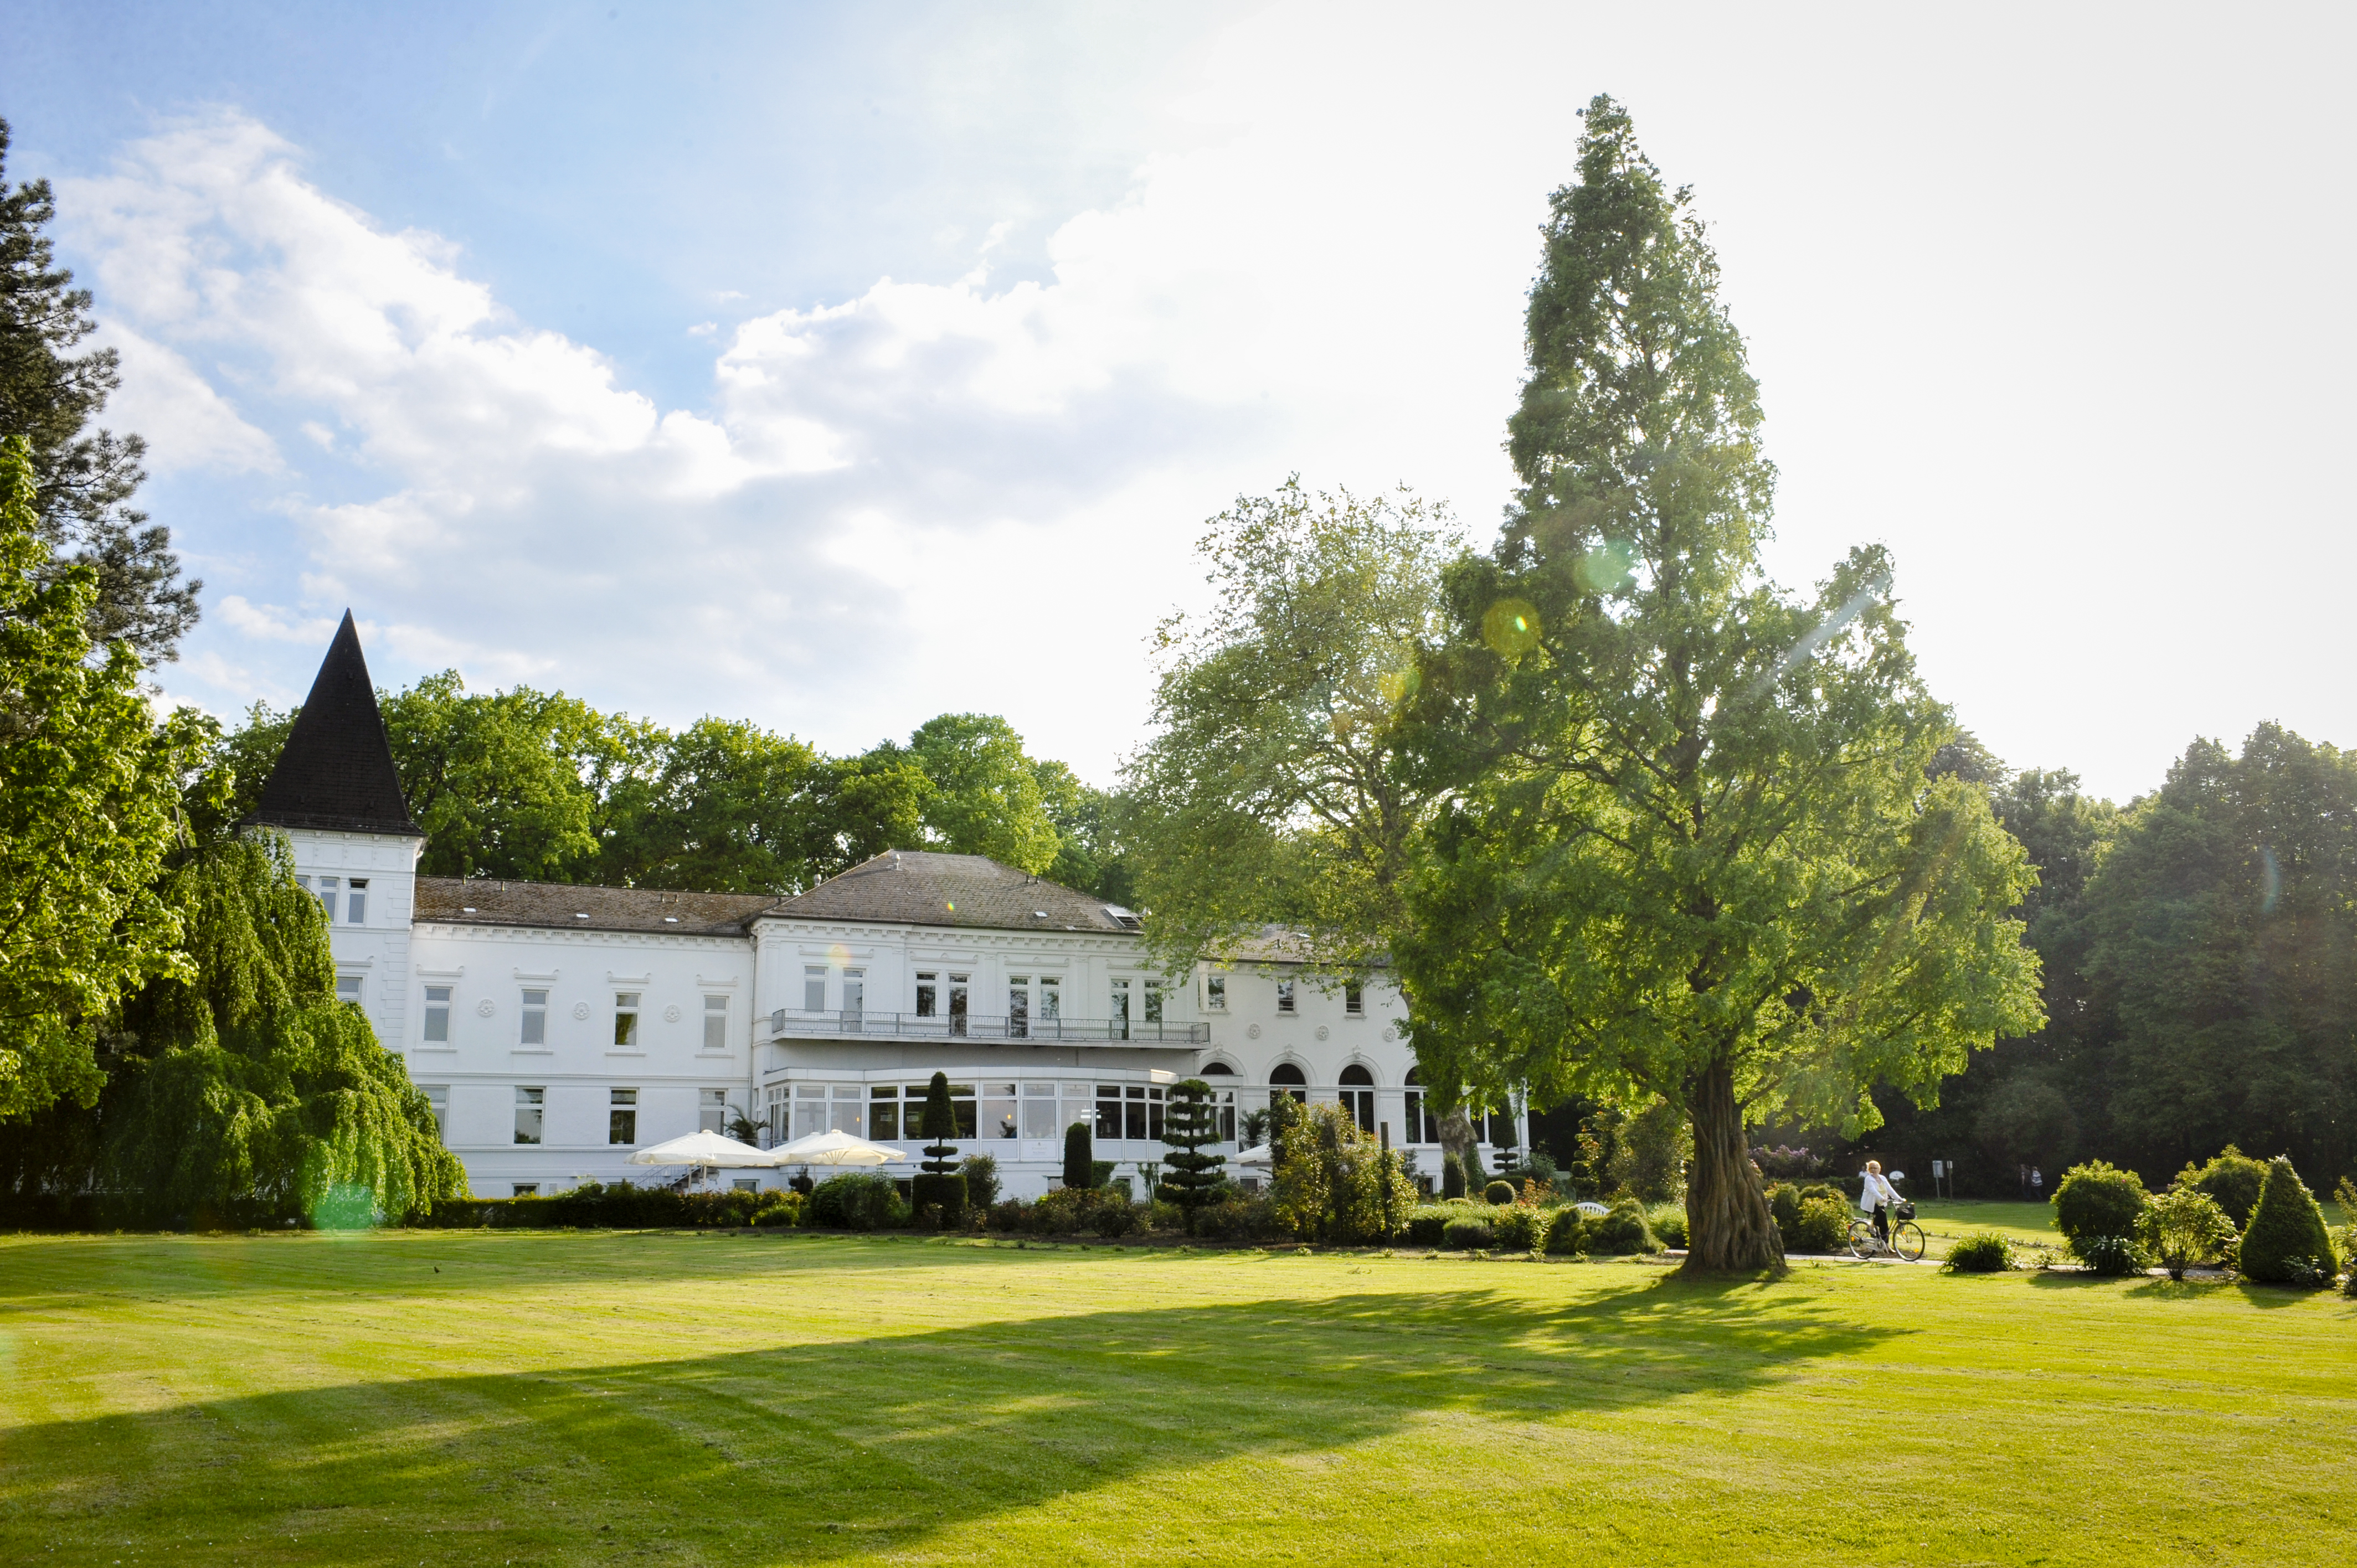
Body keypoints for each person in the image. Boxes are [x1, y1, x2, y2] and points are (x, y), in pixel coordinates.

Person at [1860, 1159, 1901, 1245]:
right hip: (1870, 1204)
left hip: (1881, 1203)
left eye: (1875, 1168)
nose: (1873, 1170)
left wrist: (1899, 1199)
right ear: (1868, 1170)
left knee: (1884, 1225)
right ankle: (1871, 1228)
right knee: (1882, 1214)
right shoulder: (1868, 1179)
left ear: (1879, 1169)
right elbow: (1873, 1190)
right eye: (1871, 1168)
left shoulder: (1883, 1178)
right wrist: (1882, 1198)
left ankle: (1886, 1246)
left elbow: (1890, 1190)